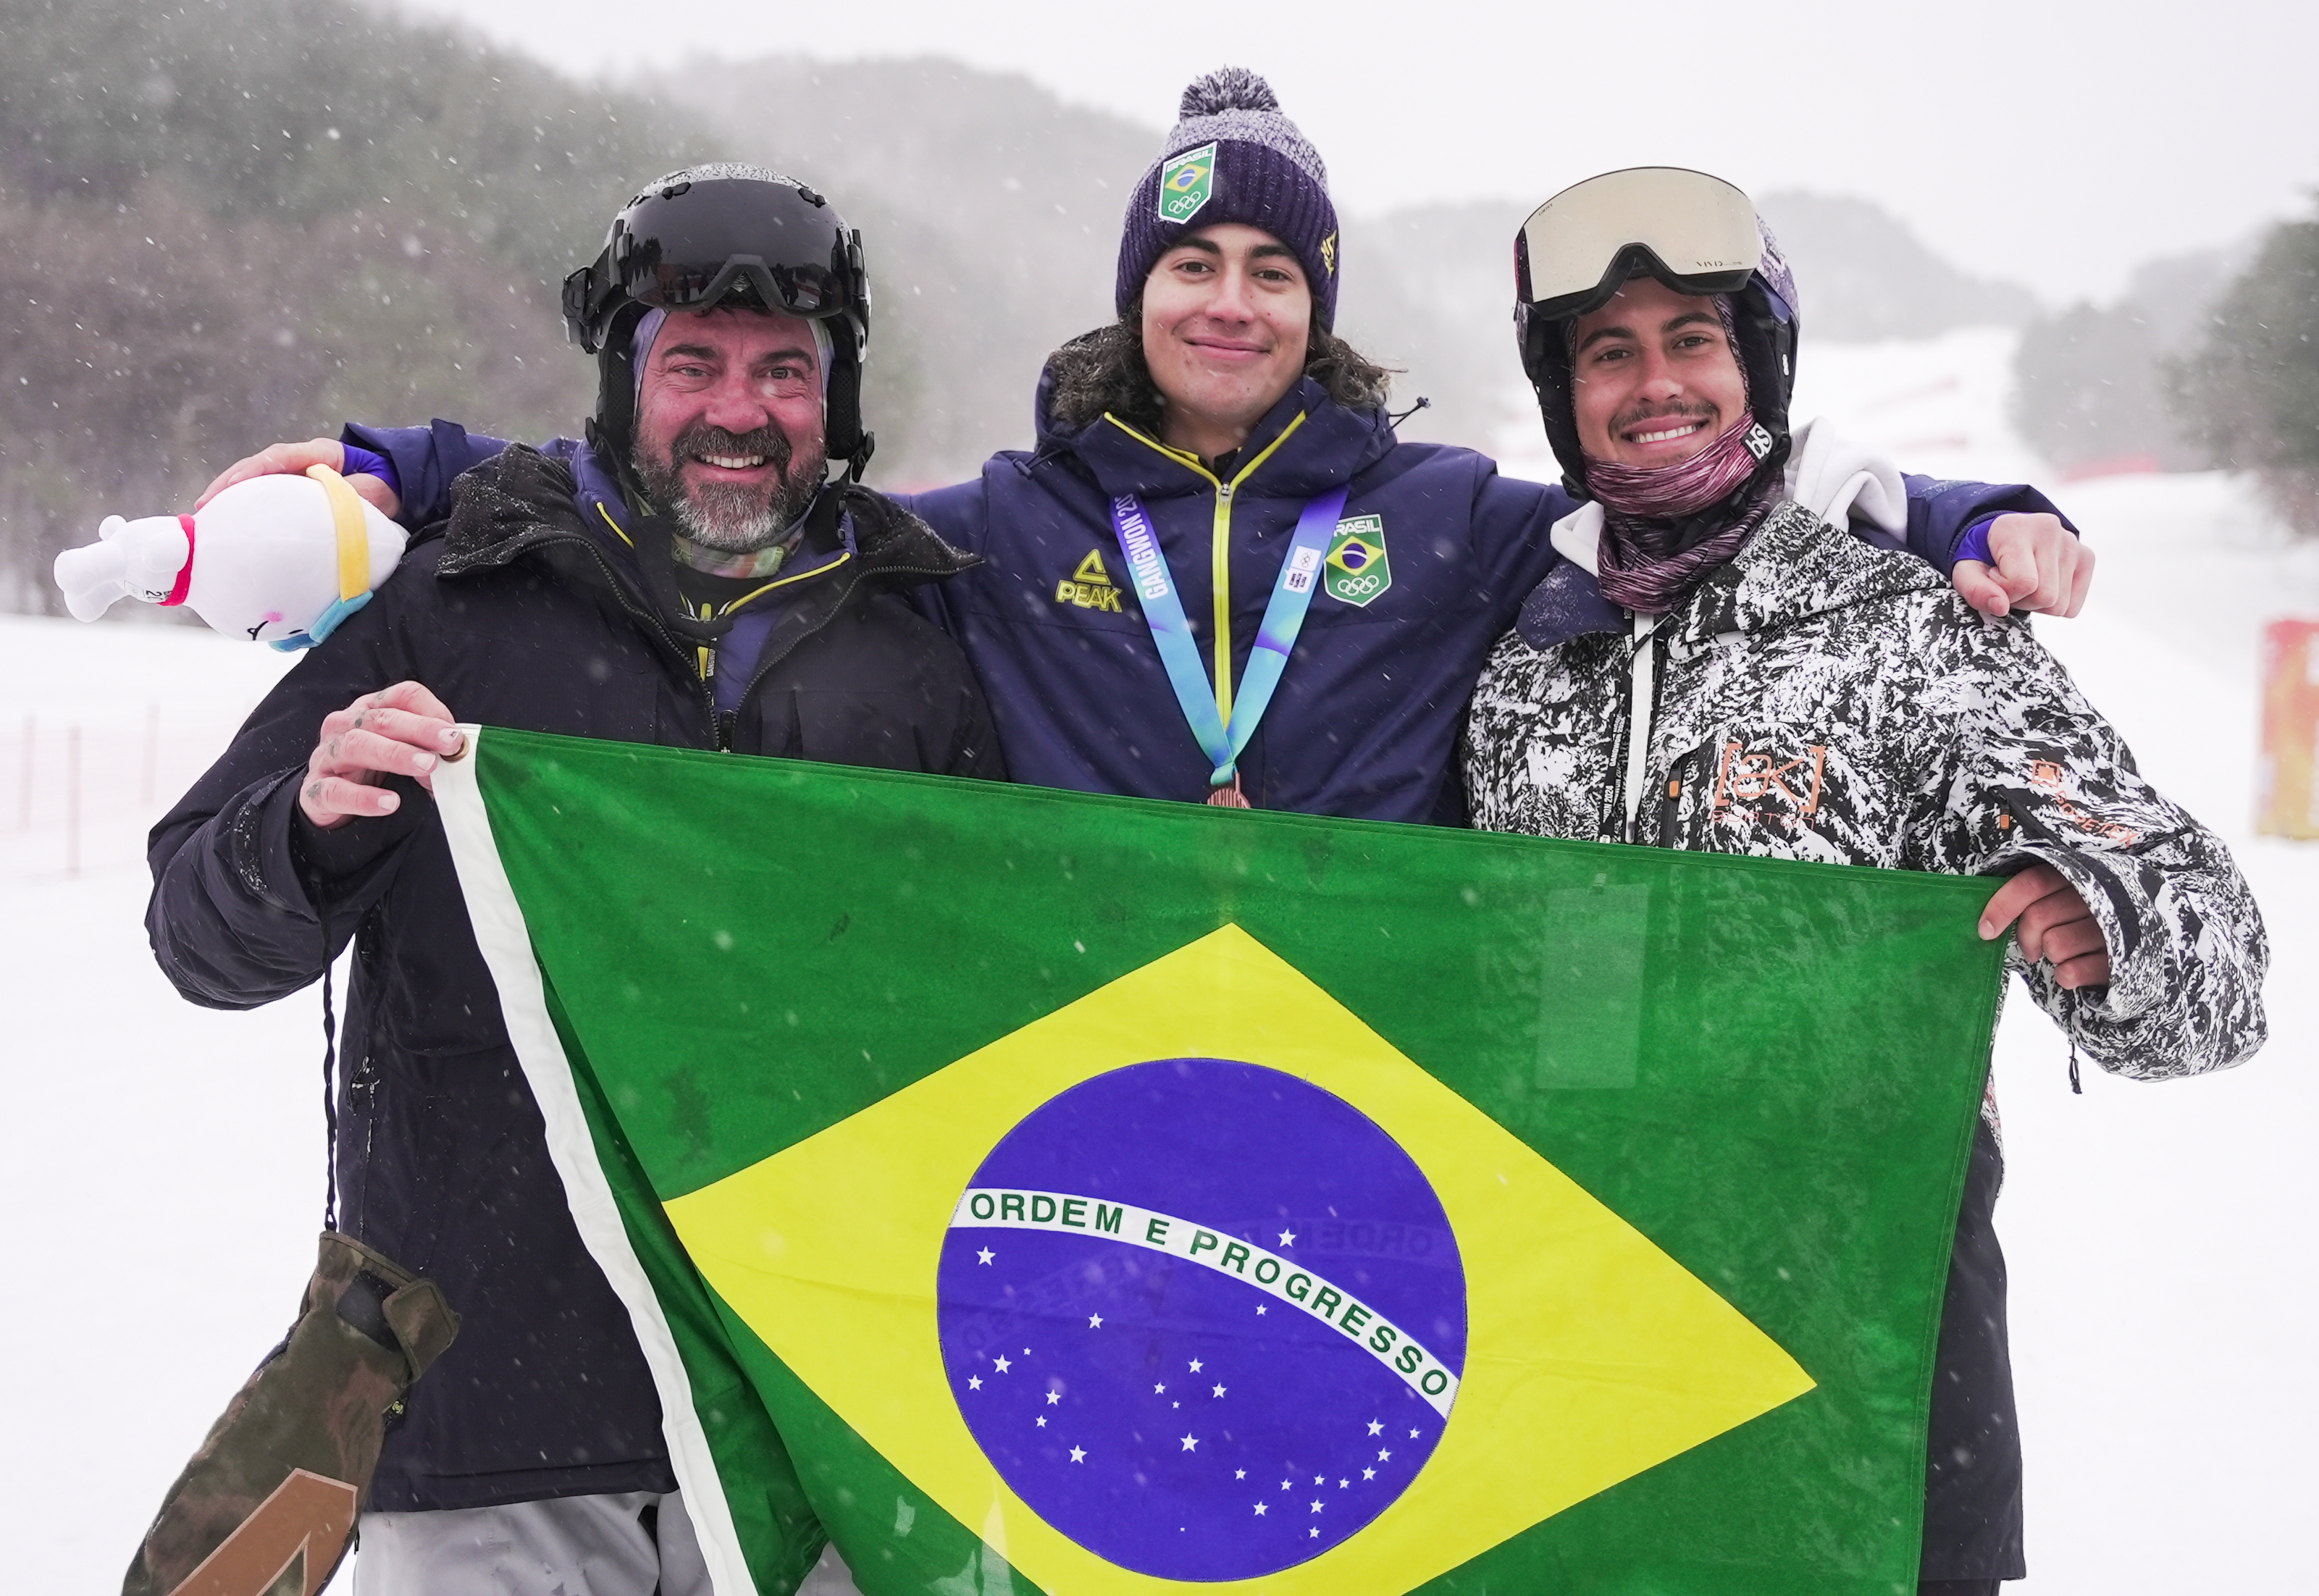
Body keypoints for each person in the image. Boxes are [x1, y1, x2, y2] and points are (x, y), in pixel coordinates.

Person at [208, 69, 2092, 828]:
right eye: (1192, 262)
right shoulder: (1011, 521)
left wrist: (1955, 511)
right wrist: (412, 465)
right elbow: (736, 493)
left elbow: (1682, 513)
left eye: (1273, 269)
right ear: (1138, 292)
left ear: (1316, 307)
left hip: (1375, 1068)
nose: (1229, 301)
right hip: (1099, 1054)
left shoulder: (1442, 516)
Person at [146, 164, 999, 1596]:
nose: (739, 411)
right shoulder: (455, 596)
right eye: (693, 366)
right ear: (622, 382)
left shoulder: (915, 647)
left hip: (810, 1435)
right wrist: (305, 823)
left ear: (837, 397)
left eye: (784, 371)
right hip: (492, 1423)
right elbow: (197, 934)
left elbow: (1002, 1008)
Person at [1461, 167, 2269, 1594]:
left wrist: (2109, 923)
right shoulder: (1527, 668)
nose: (1656, 383)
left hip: (1867, 1347)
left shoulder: (1903, 625)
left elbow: (2217, 972)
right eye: (1608, 352)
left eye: (1692, 340)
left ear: (1757, 366)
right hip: (1586, 1335)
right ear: (1562, 397)